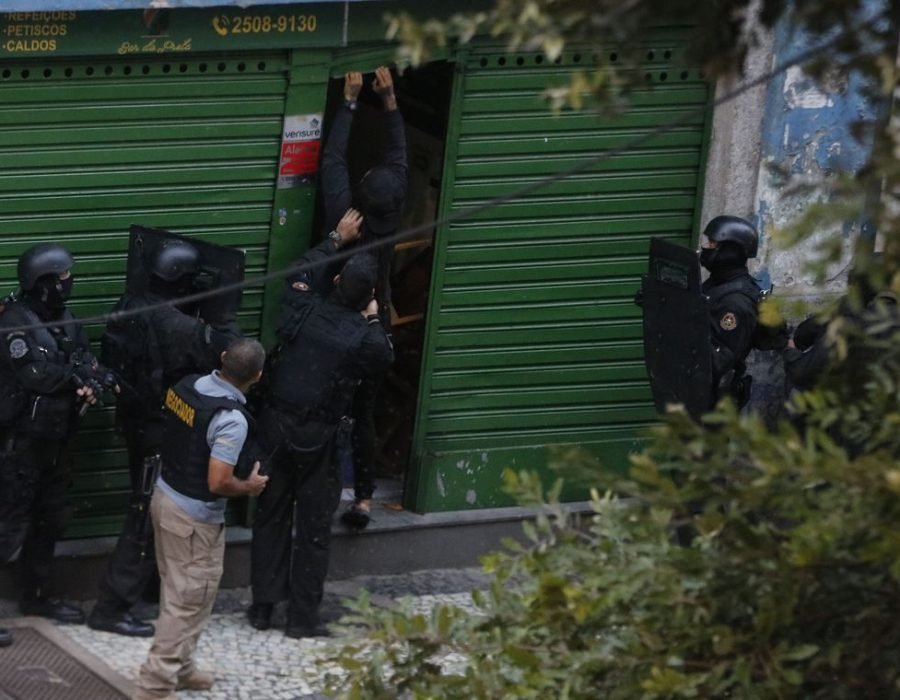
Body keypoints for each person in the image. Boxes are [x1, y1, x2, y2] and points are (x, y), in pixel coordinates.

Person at [247, 209, 394, 637]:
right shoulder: (363, 336)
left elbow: (298, 270)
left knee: (270, 515)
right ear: (367, 298)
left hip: (274, 426)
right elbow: (384, 355)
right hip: (320, 438)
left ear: (334, 282)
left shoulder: (302, 306)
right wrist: (370, 316)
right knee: (313, 529)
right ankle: (302, 620)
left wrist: (336, 238)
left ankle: (262, 609)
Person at [89, 239, 240, 638]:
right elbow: (229, 352)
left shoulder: (131, 304)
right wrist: (220, 311)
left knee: (148, 509)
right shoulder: (178, 327)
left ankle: (145, 589)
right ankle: (113, 605)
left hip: (135, 420)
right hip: (159, 428)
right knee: (145, 514)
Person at [133, 338, 268, 700]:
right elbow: (217, 481)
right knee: (188, 600)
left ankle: (181, 667)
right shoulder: (231, 420)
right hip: (193, 519)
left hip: (165, 497)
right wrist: (249, 486)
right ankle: (155, 687)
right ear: (258, 376)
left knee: (180, 593)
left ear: (222, 358)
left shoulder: (188, 387)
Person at [0, 244, 114, 640]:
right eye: (63, 277)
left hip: (57, 441)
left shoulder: (64, 318)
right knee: (6, 527)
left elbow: (81, 356)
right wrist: (75, 381)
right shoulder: (15, 324)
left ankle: (36, 595)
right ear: (43, 283)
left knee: (49, 521)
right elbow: (35, 374)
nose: (69, 284)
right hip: (19, 446)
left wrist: (97, 377)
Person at [321, 66, 408, 528]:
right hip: (379, 326)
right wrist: (390, 100)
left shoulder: (346, 217)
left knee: (328, 404)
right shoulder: (391, 216)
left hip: (339, 323)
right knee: (366, 411)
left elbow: (332, 159)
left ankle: (322, 489)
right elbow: (399, 154)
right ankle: (365, 499)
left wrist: (350, 100)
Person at [699, 215, 763, 409]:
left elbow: (718, 362)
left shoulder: (736, 304)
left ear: (730, 252)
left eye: (713, 243)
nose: (706, 247)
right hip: (699, 395)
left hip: (714, 403)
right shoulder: (719, 283)